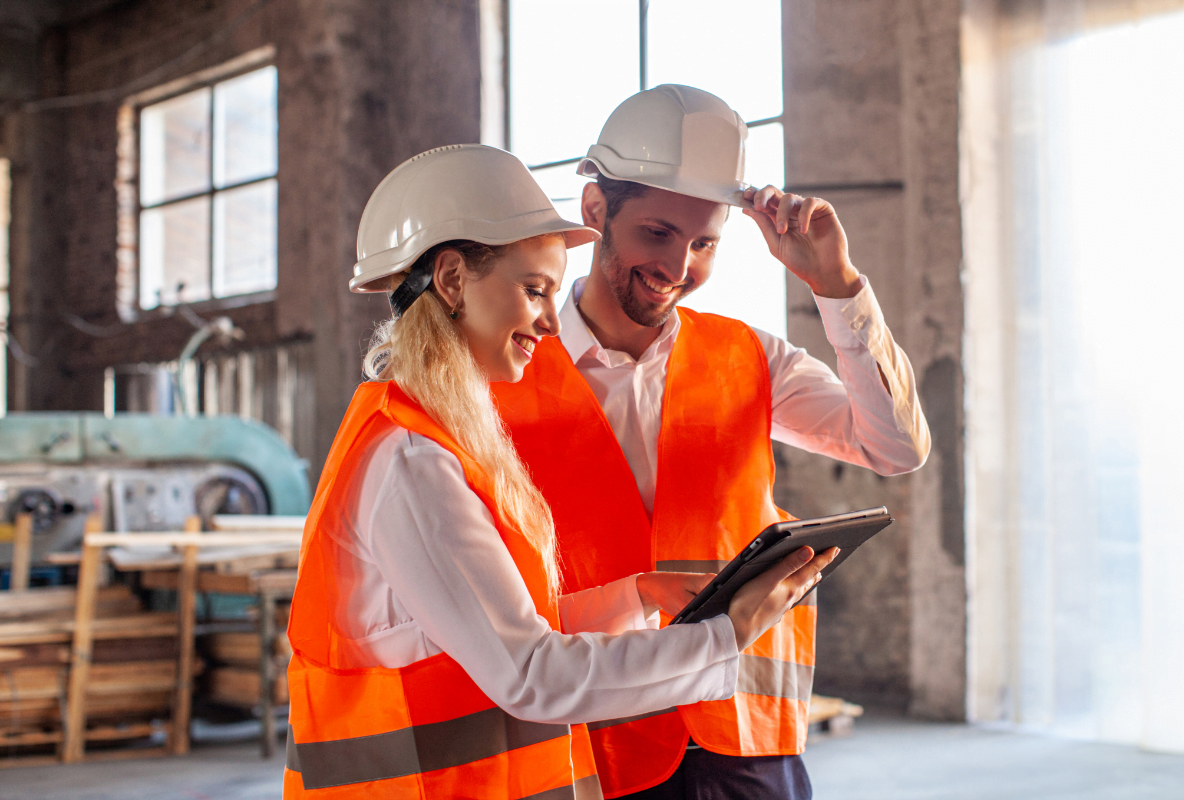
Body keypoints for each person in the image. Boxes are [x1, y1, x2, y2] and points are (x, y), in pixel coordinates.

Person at [283, 144, 839, 800]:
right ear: (454, 279)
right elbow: (532, 674)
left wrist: (633, 595)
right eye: (534, 290)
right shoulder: (412, 462)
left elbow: (487, 622)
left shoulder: (434, 437)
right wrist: (731, 632)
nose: (550, 322)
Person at [491, 86, 932, 799]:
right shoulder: (504, 372)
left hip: (744, 731)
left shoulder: (750, 357)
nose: (677, 266)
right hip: (591, 736)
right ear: (596, 212)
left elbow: (897, 448)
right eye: (658, 233)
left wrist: (837, 284)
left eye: (703, 244)